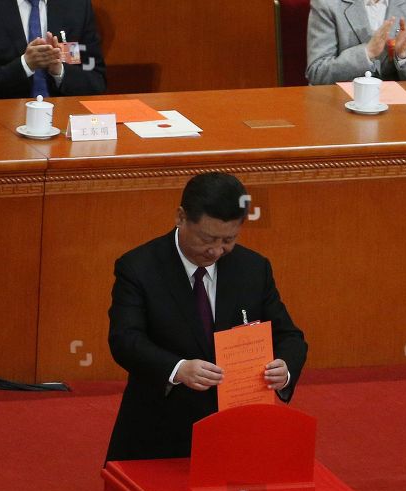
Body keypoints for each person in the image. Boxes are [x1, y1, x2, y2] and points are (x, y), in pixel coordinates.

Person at [105, 172, 308, 462]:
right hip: (157, 431)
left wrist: (284, 368)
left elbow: (289, 336)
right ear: (181, 217)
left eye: (229, 239)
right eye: (207, 238)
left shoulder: (253, 268)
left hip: (234, 432)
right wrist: (178, 369)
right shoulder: (138, 268)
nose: (216, 250)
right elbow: (125, 339)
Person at [0, 0, 106, 100]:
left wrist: (60, 71)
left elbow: (96, 81)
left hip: (66, 120)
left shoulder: (78, 6)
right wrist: (24, 65)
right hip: (5, 121)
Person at [305, 0, 406, 86]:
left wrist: (404, 55)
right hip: (341, 103)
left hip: (396, 109)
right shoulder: (327, 3)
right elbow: (317, 73)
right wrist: (367, 52)